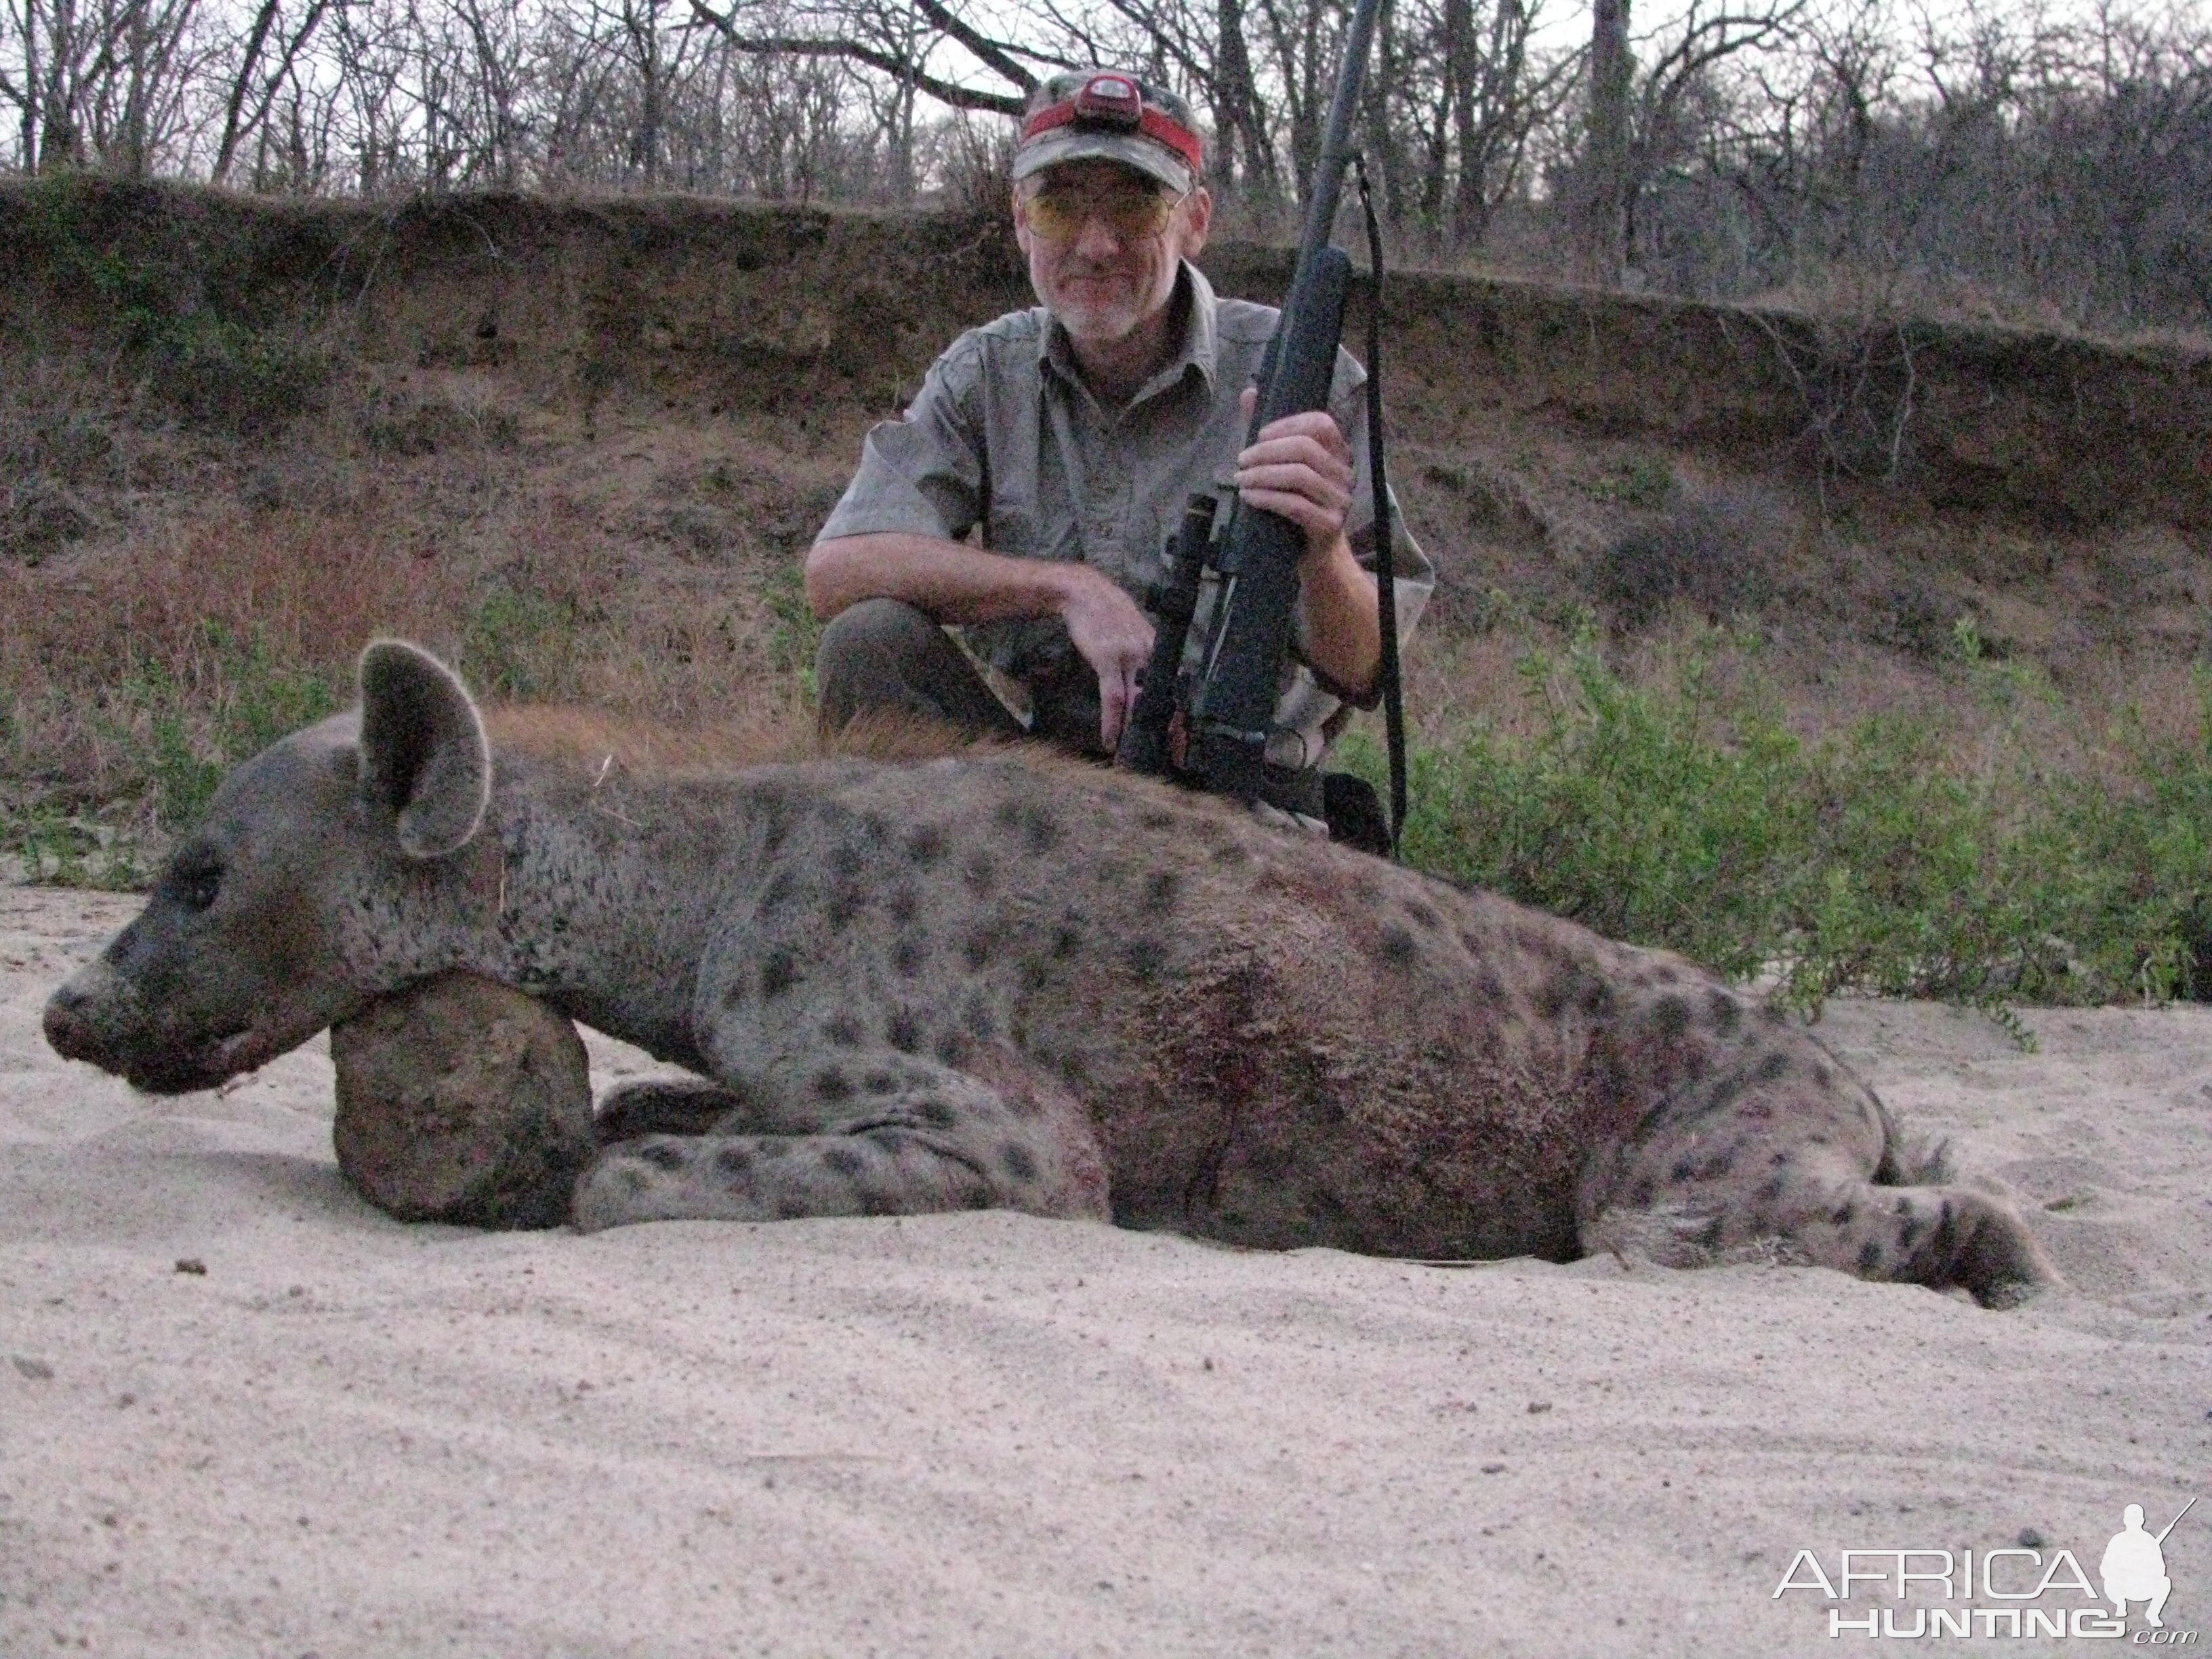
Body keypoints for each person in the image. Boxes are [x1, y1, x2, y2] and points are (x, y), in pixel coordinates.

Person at [806, 69, 1432, 834]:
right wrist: (1068, 589)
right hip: (1046, 784)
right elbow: (838, 570)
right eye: (1060, 203)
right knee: (869, 643)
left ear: (1194, 220)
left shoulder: (1303, 373)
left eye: (1136, 203)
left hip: (1250, 810)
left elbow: (1368, 666)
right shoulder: (984, 373)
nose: (1095, 246)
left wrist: (1322, 548)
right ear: (1020, 220)